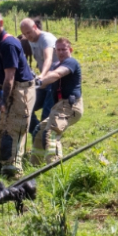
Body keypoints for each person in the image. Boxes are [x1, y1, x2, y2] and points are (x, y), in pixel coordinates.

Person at [0, 9, 36, 178]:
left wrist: (4, 101)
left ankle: (13, 169)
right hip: (3, 86)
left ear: (1, 23)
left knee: (14, 126)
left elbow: (10, 77)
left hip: (22, 87)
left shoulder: (9, 44)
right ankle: (1, 163)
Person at [31, 37, 82, 165]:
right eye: (58, 50)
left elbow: (57, 75)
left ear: (70, 50)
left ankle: (55, 167)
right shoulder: (54, 66)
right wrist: (29, 83)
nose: (61, 52)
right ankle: (35, 166)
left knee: (51, 132)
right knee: (39, 131)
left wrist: (40, 80)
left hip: (70, 106)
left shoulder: (71, 63)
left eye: (64, 49)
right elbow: (44, 84)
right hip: (58, 107)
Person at [19, 18, 57, 134]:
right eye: (24, 34)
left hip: (55, 81)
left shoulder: (46, 39)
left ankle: (46, 139)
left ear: (35, 27)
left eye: (29, 32)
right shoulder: (31, 40)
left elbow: (48, 58)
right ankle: (38, 133)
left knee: (47, 113)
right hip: (43, 82)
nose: (27, 36)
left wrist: (42, 75)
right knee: (24, 109)